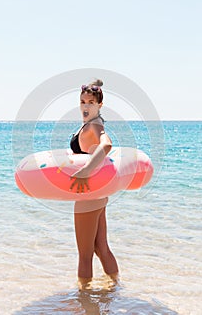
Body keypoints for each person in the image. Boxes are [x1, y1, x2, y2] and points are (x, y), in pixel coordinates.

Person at [69, 79, 119, 290]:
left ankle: (84, 298)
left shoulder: (95, 125)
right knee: (101, 247)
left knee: (85, 254)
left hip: (87, 194)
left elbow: (106, 144)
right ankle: (116, 287)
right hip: (97, 193)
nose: (85, 106)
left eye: (90, 102)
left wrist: (87, 170)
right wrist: (95, 83)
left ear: (99, 105)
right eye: (82, 101)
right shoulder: (91, 123)